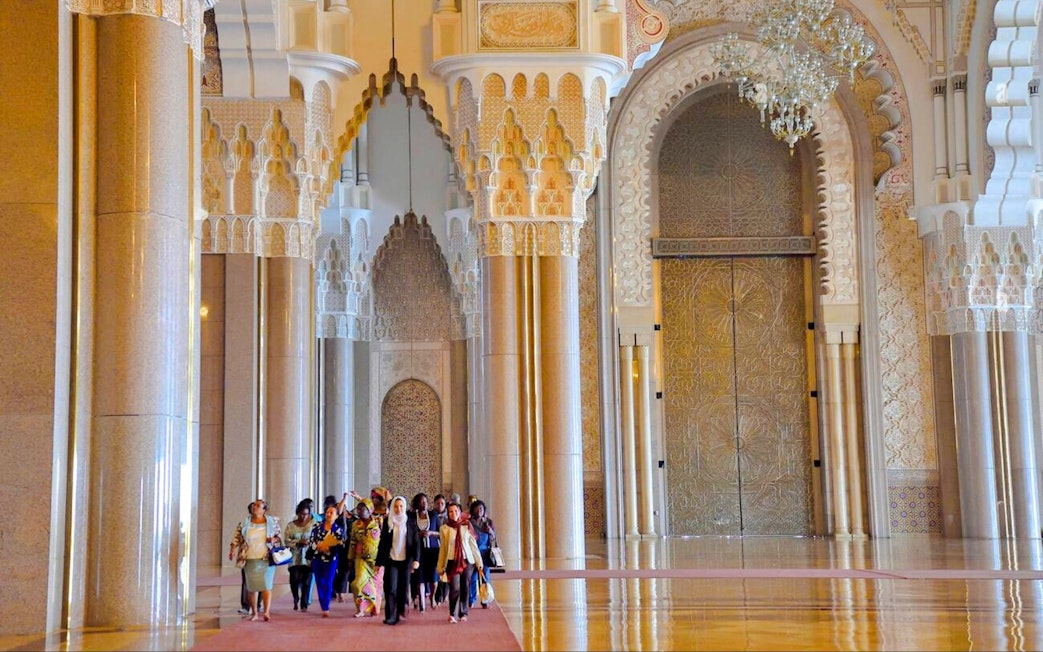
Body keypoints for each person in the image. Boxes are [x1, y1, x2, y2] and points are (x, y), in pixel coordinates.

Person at [228, 499, 282, 622]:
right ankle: (254, 613)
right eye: (254, 505)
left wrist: (273, 540)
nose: (255, 507)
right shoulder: (245, 522)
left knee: (266, 585)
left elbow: (278, 536)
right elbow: (236, 537)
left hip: (266, 558)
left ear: (264, 510)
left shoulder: (272, 522)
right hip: (249, 557)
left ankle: (266, 611)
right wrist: (232, 550)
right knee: (251, 587)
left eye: (258, 506)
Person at [436, 501, 483, 624]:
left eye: (456, 511)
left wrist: (479, 562)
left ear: (460, 512)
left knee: (464, 587)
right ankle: (452, 614)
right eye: (450, 511)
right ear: (448, 513)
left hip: (467, 561)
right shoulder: (444, 529)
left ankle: (463, 612)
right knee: (454, 587)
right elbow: (443, 549)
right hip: (452, 561)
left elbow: (473, 546)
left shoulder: (467, 526)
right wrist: (440, 566)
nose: (453, 514)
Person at [376, 496, 421, 625]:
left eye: (401, 506)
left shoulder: (411, 522)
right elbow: (383, 543)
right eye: (395, 506)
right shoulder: (388, 522)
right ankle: (391, 616)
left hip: (406, 560)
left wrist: (416, 560)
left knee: (403, 587)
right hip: (391, 560)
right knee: (390, 587)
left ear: (404, 507)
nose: (398, 509)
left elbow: (416, 543)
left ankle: (402, 609)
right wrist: (378, 562)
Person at [309, 503, 347, 617]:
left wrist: (329, 548)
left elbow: (341, 544)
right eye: (327, 512)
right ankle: (323, 603)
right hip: (317, 558)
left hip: (331, 559)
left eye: (332, 513)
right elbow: (312, 540)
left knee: (328, 582)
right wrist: (318, 547)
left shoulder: (338, 530)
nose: (329, 514)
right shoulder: (317, 526)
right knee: (319, 582)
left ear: (336, 516)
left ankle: (326, 606)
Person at [348, 498, 381, 617]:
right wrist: (350, 558)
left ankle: (374, 606)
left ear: (370, 510)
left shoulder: (379, 521)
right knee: (357, 584)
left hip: (377, 559)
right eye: (359, 509)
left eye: (363, 509)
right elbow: (352, 542)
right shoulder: (355, 525)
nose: (360, 511)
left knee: (375, 585)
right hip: (360, 559)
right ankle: (360, 609)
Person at [284, 499, 315, 611]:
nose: (303, 516)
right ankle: (296, 598)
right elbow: (286, 540)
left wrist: (308, 543)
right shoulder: (291, 526)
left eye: (306, 514)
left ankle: (304, 604)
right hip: (295, 557)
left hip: (308, 558)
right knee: (294, 579)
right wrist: (297, 542)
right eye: (301, 514)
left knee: (307, 581)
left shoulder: (313, 524)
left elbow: (317, 538)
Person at [468, 499, 497, 608]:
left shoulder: (488, 522)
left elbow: (494, 538)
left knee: (485, 577)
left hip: (484, 553)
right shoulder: (469, 522)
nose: (479, 510)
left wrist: (490, 531)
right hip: (472, 553)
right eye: (477, 508)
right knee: (472, 577)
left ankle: (485, 599)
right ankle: (471, 599)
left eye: (481, 508)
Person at [411, 493, 437, 612]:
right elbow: (408, 533)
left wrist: (431, 533)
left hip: (432, 550)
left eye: (426, 501)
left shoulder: (433, 515)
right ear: (417, 503)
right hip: (418, 551)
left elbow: (441, 532)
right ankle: (422, 603)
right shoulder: (411, 516)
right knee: (420, 577)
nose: (424, 503)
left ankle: (432, 597)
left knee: (433, 578)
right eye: (422, 501)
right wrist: (417, 534)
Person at [430, 493, 448, 606]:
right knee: (436, 571)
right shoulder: (431, 515)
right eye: (438, 503)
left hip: (446, 547)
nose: (440, 505)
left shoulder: (448, 516)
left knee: (446, 572)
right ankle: (436, 595)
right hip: (435, 547)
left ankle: (444, 594)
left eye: (442, 503)